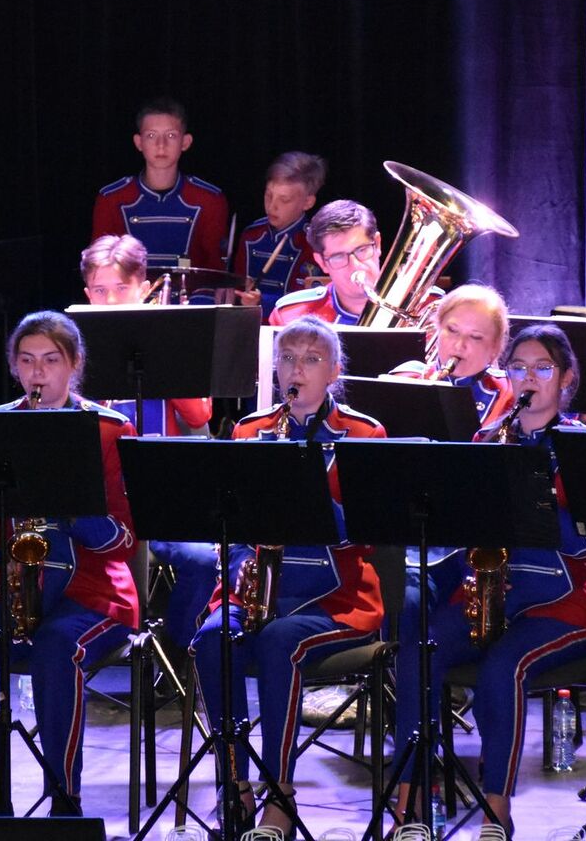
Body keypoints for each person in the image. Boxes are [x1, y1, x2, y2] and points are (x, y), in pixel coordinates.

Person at [393, 323, 586, 835]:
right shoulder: (486, 440)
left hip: (560, 602)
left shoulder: (584, 446)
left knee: (503, 667)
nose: (528, 378)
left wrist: (535, 502)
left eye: (542, 368)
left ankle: (497, 810)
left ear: (566, 379)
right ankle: (409, 801)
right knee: (419, 650)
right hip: (489, 593)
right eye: (518, 368)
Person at [0, 310, 138, 817]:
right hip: (2, 584)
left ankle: (64, 797)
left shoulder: (109, 431)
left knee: (56, 649)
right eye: (26, 361)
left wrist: (69, 498)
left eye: (51, 360)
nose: (38, 373)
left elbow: (126, 537)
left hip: (91, 590)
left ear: (75, 364)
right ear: (14, 367)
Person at [191, 316, 385, 836]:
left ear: (335, 372)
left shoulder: (364, 434)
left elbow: (369, 532)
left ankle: (280, 796)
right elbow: (231, 519)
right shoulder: (249, 431)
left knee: (279, 642)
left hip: (336, 597)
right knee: (211, 640)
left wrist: (309, 495)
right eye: (288, 358)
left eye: (311, 360)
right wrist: (238, 556)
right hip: (258, 590)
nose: (296, 370)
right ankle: (234, 784)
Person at [79, 233, 215, 644]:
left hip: (163, 496)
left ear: (144, 288)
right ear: (87, 295)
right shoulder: (74, 350)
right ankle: (104, 639)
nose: (111, 301)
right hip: (101, 501)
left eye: (122, 289)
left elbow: (199, 416)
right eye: (100, 291)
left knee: (203, 559)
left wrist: (166, 349)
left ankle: (179, 649)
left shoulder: (168, 339)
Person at [91, 98, 230, 271]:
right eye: (151, 135)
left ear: (185, 142)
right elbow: (99, 268)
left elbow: (216, 272)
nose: (161, 145)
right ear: (139, 142)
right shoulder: (112, 199)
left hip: (191, 289)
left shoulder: (209, 199)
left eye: (171, 135)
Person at [389, 283, 516, 426]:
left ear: (495, 347)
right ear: (438, 327)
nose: (459, 345)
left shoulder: (510, 393)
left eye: (475, 337)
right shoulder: (404, 378)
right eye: (452, 330)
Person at [269, 200, 402, 327]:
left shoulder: (412, 308)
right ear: (322, 263)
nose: (355, 266)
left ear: (377, 244)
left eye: (361, 250)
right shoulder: (291, 317)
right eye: (338, 257)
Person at [233, 152, 328, 318]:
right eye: (268, 195)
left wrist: (262, 301)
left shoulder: (313, 244)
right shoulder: (251, 235)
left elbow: (308, 303)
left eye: (284, 200)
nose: (272, 206)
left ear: (308, 202)